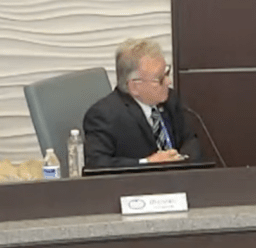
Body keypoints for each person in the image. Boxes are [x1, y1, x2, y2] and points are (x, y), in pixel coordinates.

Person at [83, 38, 203, 168]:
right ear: (135, 86)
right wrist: (147, 163)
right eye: (160, 78)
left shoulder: (170, 99)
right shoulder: (104, 115)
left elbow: (190, 139)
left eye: (167, 73)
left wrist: (183, 160)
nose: (168, 82)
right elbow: (96, 164)